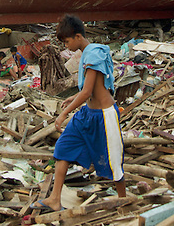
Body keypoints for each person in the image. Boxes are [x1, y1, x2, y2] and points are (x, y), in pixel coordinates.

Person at [34, 15, 125, 212]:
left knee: (114, 161)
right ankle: (55, 198)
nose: (66, 46)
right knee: (63, 147)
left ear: (77, 36)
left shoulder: (93, 54)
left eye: (67, 41)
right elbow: (89, 90)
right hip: (87, 114)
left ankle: (124, 201)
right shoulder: (87, 52)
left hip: (103, 115)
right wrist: (71, 99)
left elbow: (86, 92)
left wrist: (63, 113)